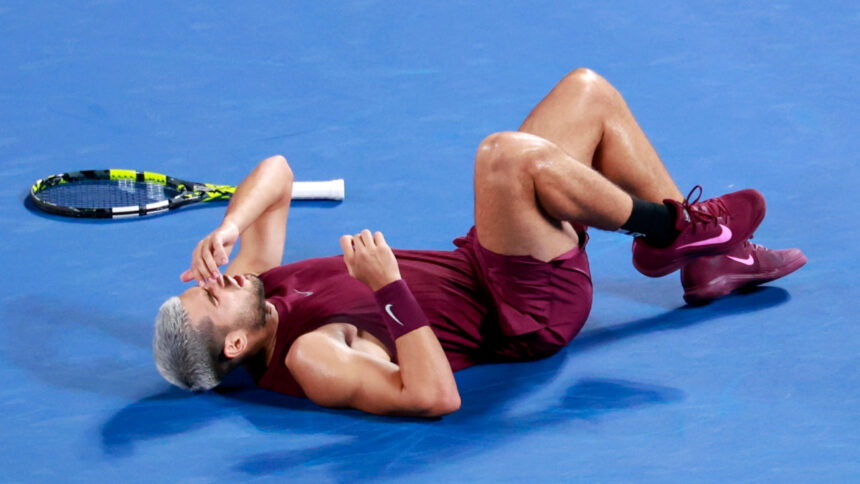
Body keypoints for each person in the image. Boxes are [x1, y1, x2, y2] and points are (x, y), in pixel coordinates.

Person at [153, 68, 806, 417]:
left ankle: (709, 260)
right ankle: (675, 232)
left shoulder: (263, 286)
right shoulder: (309, 359)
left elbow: (278, 172)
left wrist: (230, 227)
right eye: (210, 300)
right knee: (504, 157)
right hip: (526, 312)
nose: (215, 279)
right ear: (234, 345)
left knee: (588, 93)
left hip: (488, 258)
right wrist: (388, 289)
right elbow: (433, 397)